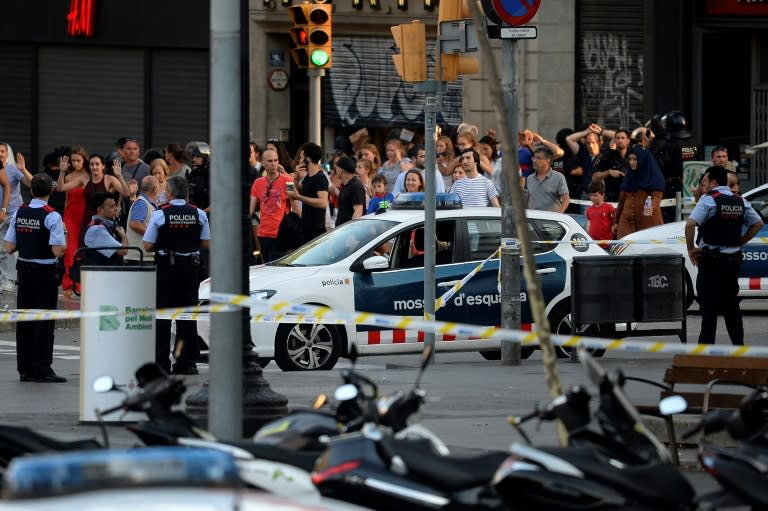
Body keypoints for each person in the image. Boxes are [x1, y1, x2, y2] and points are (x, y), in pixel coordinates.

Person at [685, 165, 763, 346]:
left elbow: (690, 225)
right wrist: (740, 242)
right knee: (731, 308)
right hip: (732, 262)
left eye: (705, 182)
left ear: (713, 182)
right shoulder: (740, 200)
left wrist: (691, 249)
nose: (703, 186)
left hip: (711, 262)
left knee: (709, 309)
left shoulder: (709, 200)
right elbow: (757, 223)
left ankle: (706, 353)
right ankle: (739, 348)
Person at [144, 175, 210, 375]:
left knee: (163, 317)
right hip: (190, 271)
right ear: (187, 194)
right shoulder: (199, 214)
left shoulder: (160, 214)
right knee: (187, 318)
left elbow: (147, 245)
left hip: (166, 269)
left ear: (170, 193)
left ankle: (161, 363)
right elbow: (207, 243)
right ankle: (186, 362)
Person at [4, 174, 67, 383]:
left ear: (31, 191)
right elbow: (58, 250)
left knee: (25, 321)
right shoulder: (52, 215)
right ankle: (42, 369)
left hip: (25, 272)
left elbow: (9, 246)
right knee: (44, 321)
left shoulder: (20, 212)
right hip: (45, 274)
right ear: (51, 191)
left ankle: (25, 369)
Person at [249, 149, 294, 262]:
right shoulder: (258, 183)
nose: (273, 164)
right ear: (263, 163)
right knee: (266, 266)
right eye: (270, 161)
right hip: (263, 233)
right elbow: (250, 209)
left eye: (276, 160)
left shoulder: (288, 181)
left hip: (281, 233)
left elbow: (296, 206)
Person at [613, 147, 665, 238]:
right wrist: (616, 222)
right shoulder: (628, 177)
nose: (632, 162)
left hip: (648, 222)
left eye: (635, 159)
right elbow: (621, 202)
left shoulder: (652, 177)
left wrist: (652, 206)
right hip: (626, 224)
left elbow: (657, 196)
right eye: (630, 159)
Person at [287, 142, 329, 243]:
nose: (299, 160)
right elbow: (290, 193)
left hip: (316, 231)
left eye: (301, 157)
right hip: (306, 228)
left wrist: (299, 197)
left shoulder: (320, 178)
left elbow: (323, 203)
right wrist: (293, 177)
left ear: (307, 159)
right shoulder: (308, 178)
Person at [83, 192, 128, 265]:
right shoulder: (97, 229)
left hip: (108, 273)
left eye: (115, 205)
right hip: (101, 274)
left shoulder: (107, 225)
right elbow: (123, 251)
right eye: (112, 206)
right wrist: (123, 236)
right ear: (100, 210)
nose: (116, 209)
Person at [126, 175, 160, 264]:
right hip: (139, 258)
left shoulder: (146, 203)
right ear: (155, 189)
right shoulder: (142, 203)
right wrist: (155, 235)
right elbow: (134, 224)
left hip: (142, 257)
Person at [526, 146, 570, 213]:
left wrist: (559, 215)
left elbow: (566, 199)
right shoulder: (529, 178)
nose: (534, 160)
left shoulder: (559, 177)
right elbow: (530, 199)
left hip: (551, 220)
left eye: (538, 158)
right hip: (534, 219)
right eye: (534, 158)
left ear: (547, 160)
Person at [335, 157, 366, 227]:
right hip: (341, 230)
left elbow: (358, 212)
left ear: (341, 169)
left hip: (349, 233)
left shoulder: (356, 186)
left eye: (337, 168)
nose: (335, 170)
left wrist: (351, 233)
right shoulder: (345, 186)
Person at [585, 180, 615, 250]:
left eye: (595, 195)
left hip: (607, 244)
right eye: (590, 195)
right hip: (593, 244)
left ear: (603, 195)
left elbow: (614, 224)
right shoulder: (588, 210)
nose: (592, 197)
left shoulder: (609, 208)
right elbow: (589, 226)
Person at [185, 141, 211, 214]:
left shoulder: (212, 176)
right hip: (193, 214)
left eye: (198, 157)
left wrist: (202, 213)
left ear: (206, 158)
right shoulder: (193, 174)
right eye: (193, 156)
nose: (194, 159)